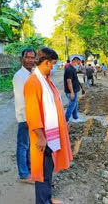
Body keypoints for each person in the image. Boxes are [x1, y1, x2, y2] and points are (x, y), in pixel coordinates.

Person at [24, 47, 73, 204]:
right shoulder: (33, 82)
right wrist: (40, 137)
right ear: (45, 62)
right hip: (44, 137)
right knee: (43, 173)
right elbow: (32, 113)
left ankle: (47, 198)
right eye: (52, 64)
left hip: (52, 135)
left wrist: (63, 126)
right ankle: (43, 201)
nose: (53, 68)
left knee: (48, 170)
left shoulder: (45, 80)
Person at [12, 48, 35, 184]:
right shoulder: (20, 76)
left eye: (32, 58)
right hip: (25, 118)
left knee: (28, 145)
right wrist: (25, 118)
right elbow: (21, 99)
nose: (30, 60)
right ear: (22, 58)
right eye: (27, 57)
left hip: (32, 116)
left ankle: (29, 169)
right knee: (22, 146)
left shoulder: (30, 74)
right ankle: (24, 174)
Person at [64, 55, 83, 122]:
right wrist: (72, 92)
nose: (79, 64)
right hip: (71, 91)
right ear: (75, 60)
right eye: (79, 62)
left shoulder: (73, 68)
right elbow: (69, 81)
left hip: (74, 90)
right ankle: (65, 120)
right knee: (71, 106)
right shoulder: (69, 69)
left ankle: (75, 118)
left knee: (74, 104)